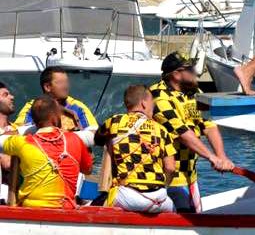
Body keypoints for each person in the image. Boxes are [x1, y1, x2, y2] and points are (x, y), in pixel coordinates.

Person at [151, 52, 233, 213]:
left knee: (197, 219)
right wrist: (211, 157)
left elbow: (209, 126)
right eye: (189, 69)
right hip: (166, 178)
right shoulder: (158, 96)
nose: (195, 72)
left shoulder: (193, 93)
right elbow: (182, 133)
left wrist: (221, 156)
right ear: (175, 74)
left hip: (190, 177)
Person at [0, 94, 93, 208]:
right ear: (54, 117)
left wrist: (26, 129)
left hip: (30, 208)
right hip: (64, 208)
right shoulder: (75, 140)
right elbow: (88, 170)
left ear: (34, 120)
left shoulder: (21, 143)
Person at [95, 85, 176, 213]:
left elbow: (97, 139)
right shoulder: (161, 129)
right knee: (173, 210)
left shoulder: (115, 122)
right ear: (144, 103)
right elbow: (171, 167)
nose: (153, 108)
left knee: (98, 204)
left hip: (129, 196)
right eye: (152, 104)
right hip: (160, 198)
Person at [14, 66, 98, 135]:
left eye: (66, 82)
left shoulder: (78, 107)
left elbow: (94, 133)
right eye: (60, 82)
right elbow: (18, 133)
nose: (66, 87)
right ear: (47, 87)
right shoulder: (32, 107)